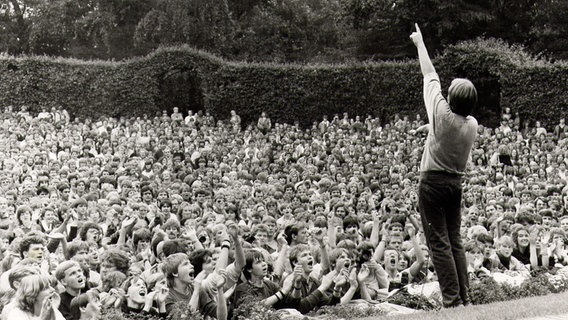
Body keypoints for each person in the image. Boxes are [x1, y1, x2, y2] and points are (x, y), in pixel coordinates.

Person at [410, 23, 478, 307]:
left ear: (450, 99)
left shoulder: (440, 110)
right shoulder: (472, 124)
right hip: (454, 185)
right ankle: (465, 297)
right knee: (455, 240)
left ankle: (451, 302)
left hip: (432, 185)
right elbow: (450, 126)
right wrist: (428, 128)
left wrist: (420, 43)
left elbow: (430, 75)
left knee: (438, 242)